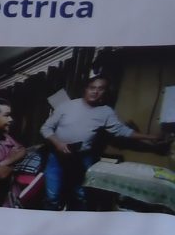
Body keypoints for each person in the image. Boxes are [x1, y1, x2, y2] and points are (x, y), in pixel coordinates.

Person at [41, 73, 150, 210]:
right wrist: (58, 143)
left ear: (105, 91)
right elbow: (46, 128)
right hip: (56, 156)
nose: (95, 91)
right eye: (92, 87)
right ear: (85, 89)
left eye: (100, 88)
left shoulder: (106, 112)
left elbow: (123, 131)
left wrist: (151, 138)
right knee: (52, 196)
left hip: (81, 157)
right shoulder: (67, 106)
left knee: (81, 195)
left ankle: (78, 226)